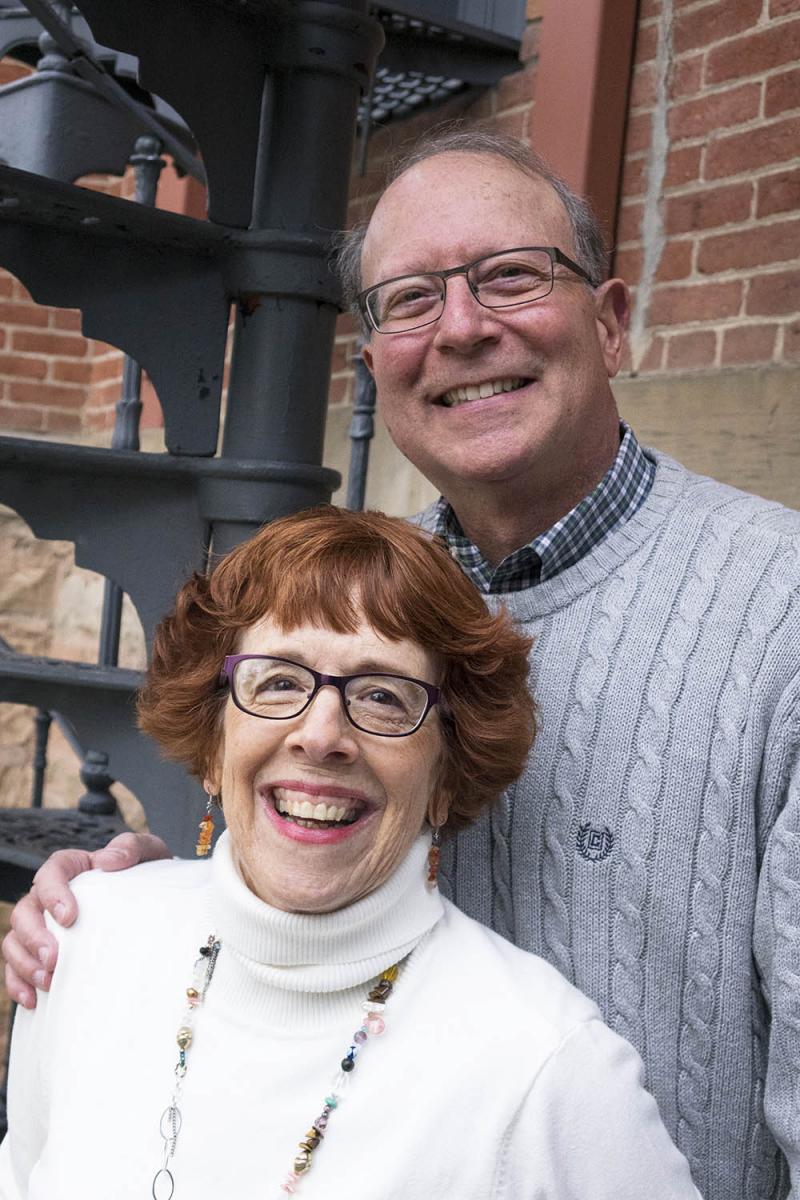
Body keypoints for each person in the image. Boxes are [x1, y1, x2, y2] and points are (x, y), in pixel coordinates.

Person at [5, 128, 800, 1199]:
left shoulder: (778, 615)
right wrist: (154, 910)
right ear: (371, 362)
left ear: (609, 324)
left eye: (510, 277)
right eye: (410, 300)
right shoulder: (363, 607)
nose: (463, 328)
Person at [0, 507, 701, 1200]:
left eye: (383, 696)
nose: (321, 734)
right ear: (214, 746)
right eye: (278, 681)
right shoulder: (83, 947)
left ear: (444, 777)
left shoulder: (546, 1067)